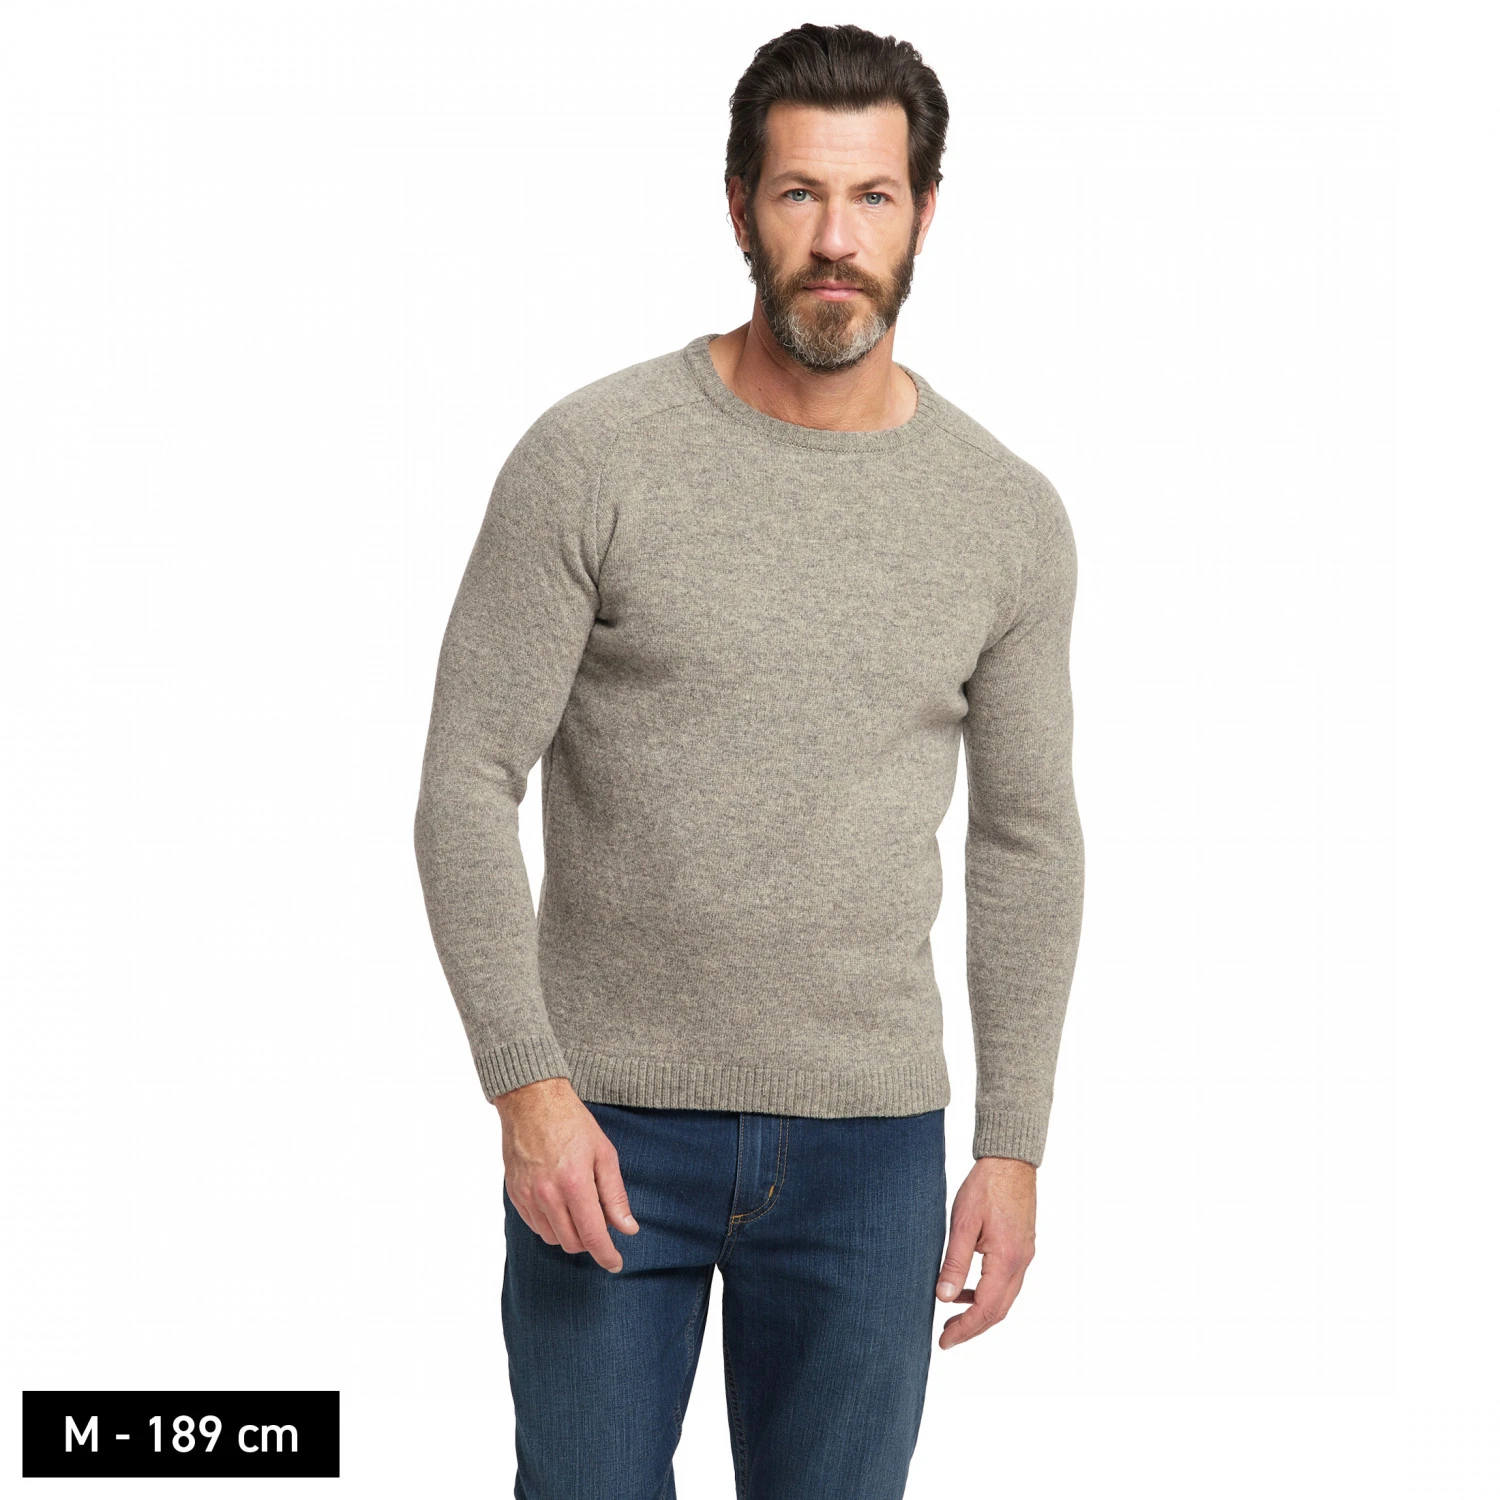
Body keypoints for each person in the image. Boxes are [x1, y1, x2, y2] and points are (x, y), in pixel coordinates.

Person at [413, 21, 1084, 1500]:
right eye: (799, 194)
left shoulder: (1004, 514)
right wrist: (526, 1088)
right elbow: (466, 778)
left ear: (924, 212)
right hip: (604, 1132)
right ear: (738, 207)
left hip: (872, 1153)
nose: (836, 239)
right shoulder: (593, 458)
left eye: (874, 196)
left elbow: (1027, 839)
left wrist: (1015, 1142)